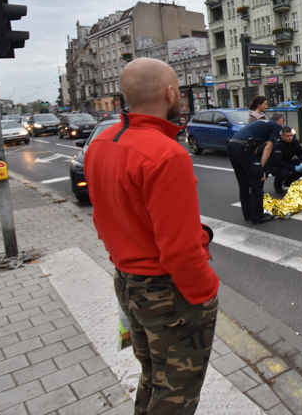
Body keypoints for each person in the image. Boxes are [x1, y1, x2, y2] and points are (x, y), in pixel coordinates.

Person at [84, 58, 219, 415]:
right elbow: (180, 249)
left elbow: (101, 220)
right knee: (177, 395)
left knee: (153, 377)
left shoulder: (102, 143)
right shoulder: (166, 154)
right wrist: (206, 291)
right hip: (168, 295)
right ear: (170, 93)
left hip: (127, 284)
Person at [228, 112, 285, 224]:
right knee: (258, 180)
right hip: (243, 147)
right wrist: (261, 168)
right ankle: (257, 216)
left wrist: (256, 165)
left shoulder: (262, 122)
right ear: (281, 121)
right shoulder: (276, 126)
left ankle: (248, 214)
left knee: (243, 183)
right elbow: (268, 148)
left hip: (231, 145)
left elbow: (254, 148)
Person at [269, 126, 302, 194]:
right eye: (288, 136)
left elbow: (300, 153)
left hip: (288, 162)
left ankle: (289, 182)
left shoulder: (294, 141)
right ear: (282, 136)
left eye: (291, 135)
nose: (290, 137)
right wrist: (293, 167)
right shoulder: (278, 144)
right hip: (278, 165)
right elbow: (278, 162)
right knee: (284, 172)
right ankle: (277, 186)